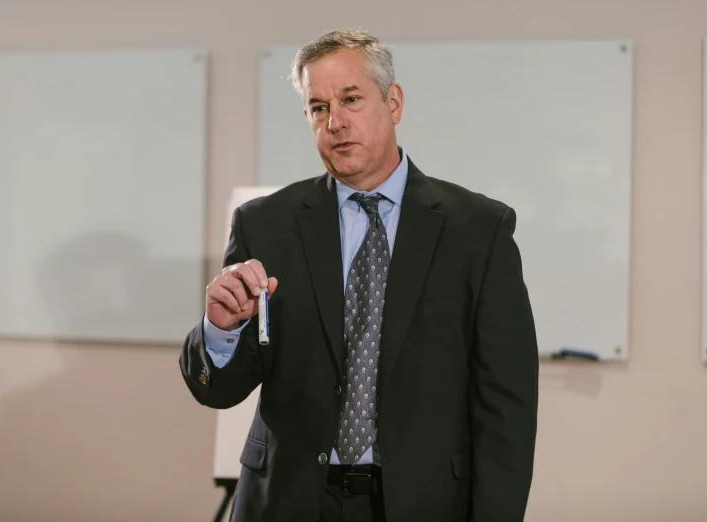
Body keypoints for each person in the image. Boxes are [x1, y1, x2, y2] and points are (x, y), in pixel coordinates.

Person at [179, 29, 538, 522]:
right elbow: (217, 389)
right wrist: (220, 331)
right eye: (318, 107)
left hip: (422, 504)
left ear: (393, 103)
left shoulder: (478, 231)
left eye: (351, 99)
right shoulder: (265, 224)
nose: (336, 122)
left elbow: (507, 408)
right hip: (285, 501)